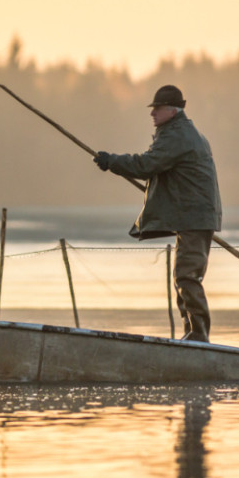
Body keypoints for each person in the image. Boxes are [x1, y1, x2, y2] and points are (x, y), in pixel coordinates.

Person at [94, 85, 222, 342]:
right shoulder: (182, 132)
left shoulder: (177, 136)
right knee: (183, 276)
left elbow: (146, 165)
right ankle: (193, 334)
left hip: (194, 217)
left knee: (187, 276)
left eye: (157, 109)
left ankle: (198, 336)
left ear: (173, 111)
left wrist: (112, 162)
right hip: (193, 217)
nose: (152, 114)